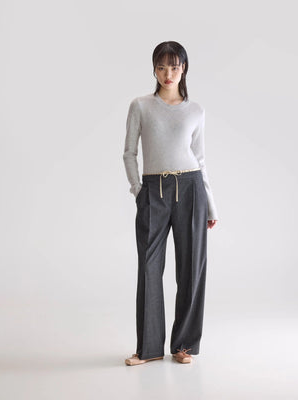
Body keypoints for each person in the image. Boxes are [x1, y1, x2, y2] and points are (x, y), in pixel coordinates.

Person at [123, 41, 219, 366]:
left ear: (184, 69)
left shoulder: (196, 111)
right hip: (153, 190)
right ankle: (148, 348)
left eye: (174, 67)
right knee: (149, 268)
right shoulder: (141, 106)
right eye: (161, 67)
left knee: (191, 268)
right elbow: (129, 153)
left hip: (191, 188)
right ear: (154, 69)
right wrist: (139, 190)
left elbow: (201, 160)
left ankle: (184, 345)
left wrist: (210, 205)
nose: (168, 74)